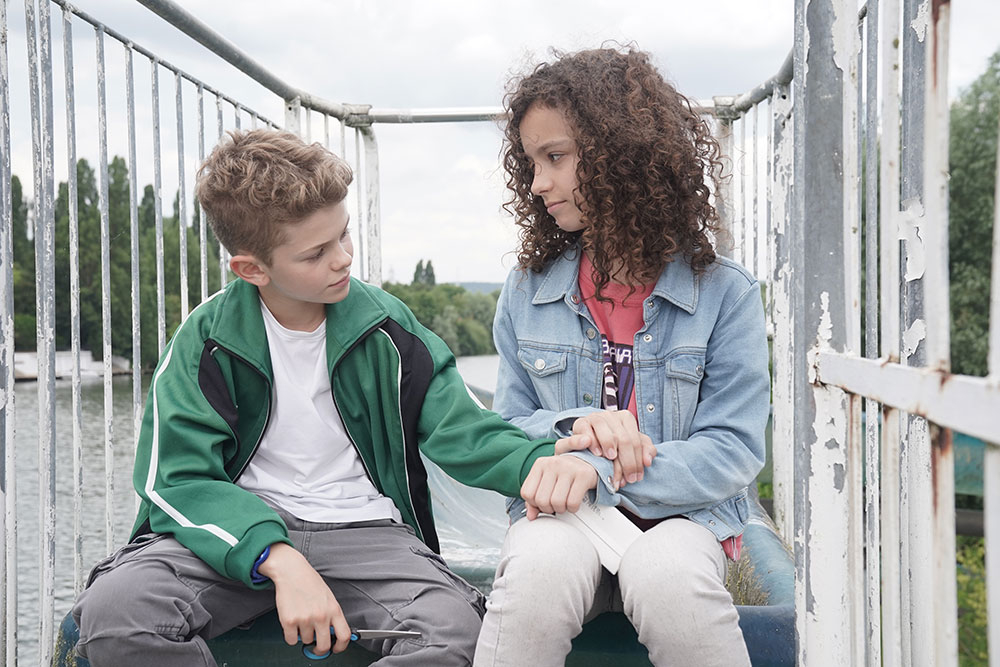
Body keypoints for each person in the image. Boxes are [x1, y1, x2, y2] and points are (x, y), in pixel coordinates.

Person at [71, 129, 596, 667]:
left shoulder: (387, 330)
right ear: (252, 269)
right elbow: (175, 480)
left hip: (364, 532)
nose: (343, 259)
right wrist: (279, 559)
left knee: (455, 631)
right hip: (235, 530)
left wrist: (541, 459)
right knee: (118, 611)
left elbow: (460, 427)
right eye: (316, 253)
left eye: (344, 237)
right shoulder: (206, 342)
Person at [474, 47, 770, 667]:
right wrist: (573, 433)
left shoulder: (725, 294)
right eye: (531, 162)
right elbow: (503, 428)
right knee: (532, 578)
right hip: (563, 517)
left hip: (683, 520)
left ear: (622, 158)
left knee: (671, 583)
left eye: (555, 157)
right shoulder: (527, 293)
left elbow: (733, 449)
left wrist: (601, 470)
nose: (538, 183)